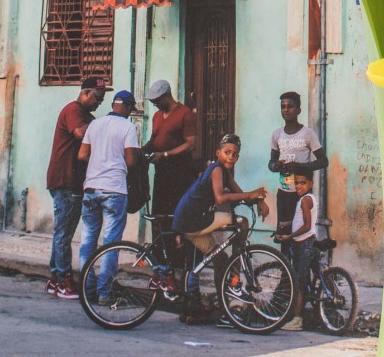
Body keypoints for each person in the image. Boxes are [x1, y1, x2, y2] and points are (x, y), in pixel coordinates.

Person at [172, 133, 269, 326]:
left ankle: (226, 312)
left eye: (234, 154)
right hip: (192, 219)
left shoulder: (225, 172)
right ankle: (237, 267)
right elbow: (220, 198)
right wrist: (250, 195)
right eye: (227, 152)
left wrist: (258, 199)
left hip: (189, 223)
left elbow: (239, 193)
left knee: (221, 261)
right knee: (240, 222)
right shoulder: (216, 169)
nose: (231, 157)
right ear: (218, 153)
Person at [45, 76, 107, 299]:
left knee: (62, 231)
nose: (99, 102)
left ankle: (55, 278)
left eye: (102, 99)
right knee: (64, 232)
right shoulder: (73, 111)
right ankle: (63, 279)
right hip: (65, 181)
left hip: (72, 181)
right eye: (97, 97)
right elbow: (81, 134)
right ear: (85, 92)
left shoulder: (87, 116)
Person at [77, 88, 139, 302]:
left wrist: (99, 163)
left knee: (88, 240)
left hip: (91, 187)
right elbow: (131, 161)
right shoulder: (128, 127)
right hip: (114, 189)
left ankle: (87, 289)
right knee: (111, 242)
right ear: (129, 108)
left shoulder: (95, 124)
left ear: (113, 105)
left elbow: (82, 154)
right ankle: (105, 292)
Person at [141, 79, 196, 296]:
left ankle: (180, 270)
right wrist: (141, 151)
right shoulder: (156, 116)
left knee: (177, 222)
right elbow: (154, 139)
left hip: (180, 174)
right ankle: (163, 271)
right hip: (161, 175)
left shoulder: (184, 114)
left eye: (157, 101)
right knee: (160, 220)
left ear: (167, 96)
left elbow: (190, 143)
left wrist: (165, 154)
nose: (154, 105)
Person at [268, 91, 327, 234]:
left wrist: (301, 167)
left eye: (290, 106)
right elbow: (271, 163)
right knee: (284, 233)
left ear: (298, 110)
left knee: (302, 233)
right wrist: (276, 166)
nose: (286, 110)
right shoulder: (277, 134)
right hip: (283, 193)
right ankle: (284, 257)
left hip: (302, 193)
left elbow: (323, 161)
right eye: (283, 107)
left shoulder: (307, 134)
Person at [275, 172, 318, 332]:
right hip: (309, 243)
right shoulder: (309, 199)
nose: (299, 186)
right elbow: (300, 220)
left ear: (310, 184)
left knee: (299, 284)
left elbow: (306, 225)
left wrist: (289, 237)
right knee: (305, 280)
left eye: (303, 183)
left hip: (304, 244)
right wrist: (286, 225)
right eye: (297, 183)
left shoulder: (305, 201)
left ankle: (297, 319)